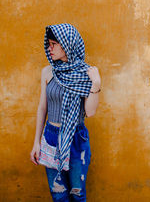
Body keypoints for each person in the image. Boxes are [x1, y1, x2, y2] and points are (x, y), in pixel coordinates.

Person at [30, 23, 101, 201]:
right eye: (49, 44)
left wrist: (96, 84)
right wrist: (36, 142)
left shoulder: (85, 74)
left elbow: (90, 112)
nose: (49, 48)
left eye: (54, 44)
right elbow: (42, 108)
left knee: (77, 194)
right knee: (58, 195)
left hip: (76, 138)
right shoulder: (48, 72)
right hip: (51, 137)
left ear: (67, 44)